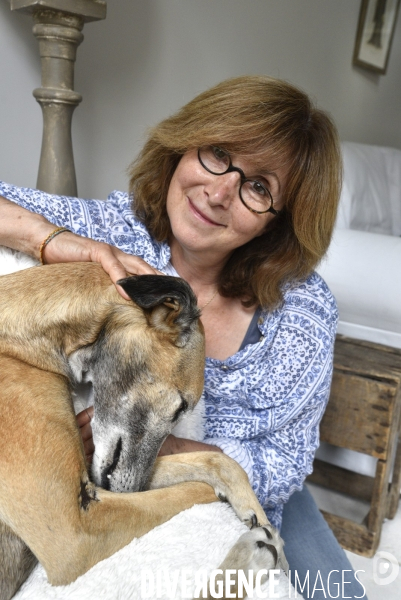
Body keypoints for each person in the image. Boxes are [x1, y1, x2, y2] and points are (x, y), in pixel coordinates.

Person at [0, 76, 366, 599]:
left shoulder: (301, 312)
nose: (218, 194)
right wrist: (55, 241)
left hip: (252, 488)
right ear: (182, 147)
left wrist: (168, 445)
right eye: (217, 154)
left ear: (278, 223)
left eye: (258, 187)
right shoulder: (116, 232)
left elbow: (285, 464)